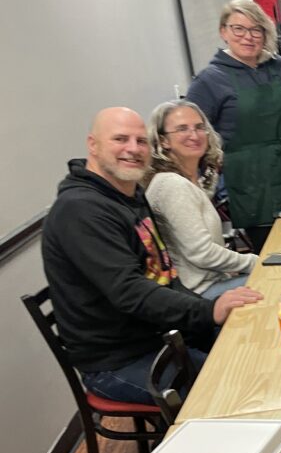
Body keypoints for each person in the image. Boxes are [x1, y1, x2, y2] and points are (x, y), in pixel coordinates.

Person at [41, 107, 263, 405]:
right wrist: (207, 311)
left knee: (257, 348)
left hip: (162, 335)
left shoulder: (129, 195)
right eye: (120, 139)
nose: (133, 149)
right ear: (93, 145)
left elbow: (166, 275)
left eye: (140, 141)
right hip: (120, 360)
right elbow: (130, 292)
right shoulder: (81, 210)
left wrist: (207, 312)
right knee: (239, 391)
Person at [187, 0, 281, 252]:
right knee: (273, 254)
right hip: (252, 183)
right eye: (239, 28)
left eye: (255, 29)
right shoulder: (210, 79)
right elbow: (194, 128)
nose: (248, 37)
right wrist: (211, 160)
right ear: (223, 32)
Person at [144, 101, 258, 300]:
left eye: (199, 127)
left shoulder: (188, 180)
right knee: (278, 278)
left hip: (212, 282)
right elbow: (202, 254)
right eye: (182, 129)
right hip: (201, 294)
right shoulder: (173, 185)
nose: (194, 135)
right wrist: (257, 261)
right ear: (163, 141)